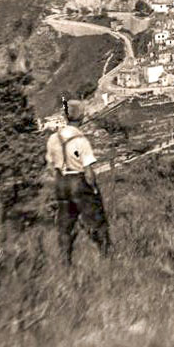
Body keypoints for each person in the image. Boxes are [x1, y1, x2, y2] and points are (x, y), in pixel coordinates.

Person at [46, 97, 111, 265]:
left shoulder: (53, 138)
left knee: (65, 223)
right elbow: (89, 173)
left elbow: (50, 166)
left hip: (61, 182)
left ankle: (65, 260)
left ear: (66, 117)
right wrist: (94, 189)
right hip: (78, 181)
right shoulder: (81, 141)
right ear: (82, 117)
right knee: (95, 219)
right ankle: (106, 256)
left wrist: (60, 178)